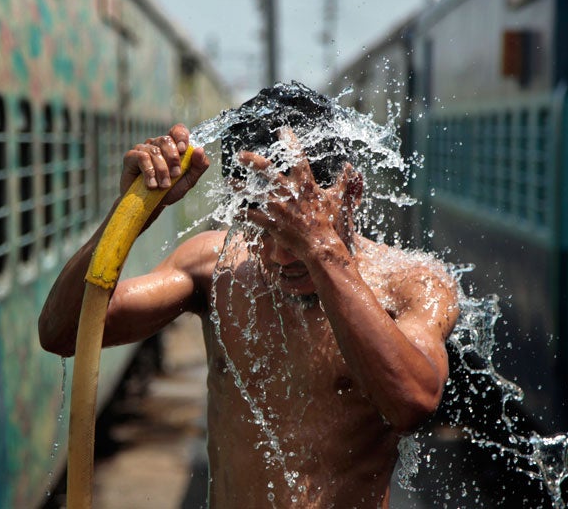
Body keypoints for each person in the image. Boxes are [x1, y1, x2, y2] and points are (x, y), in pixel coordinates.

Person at [39, 84, 459, 508]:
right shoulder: (215, 269)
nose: (278, 254)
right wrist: (131, 214)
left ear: (351, 195)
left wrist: (321, 250)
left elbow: (413, 402)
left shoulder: (412, 283)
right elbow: (64, 331)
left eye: (297, 228)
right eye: (259, 226)